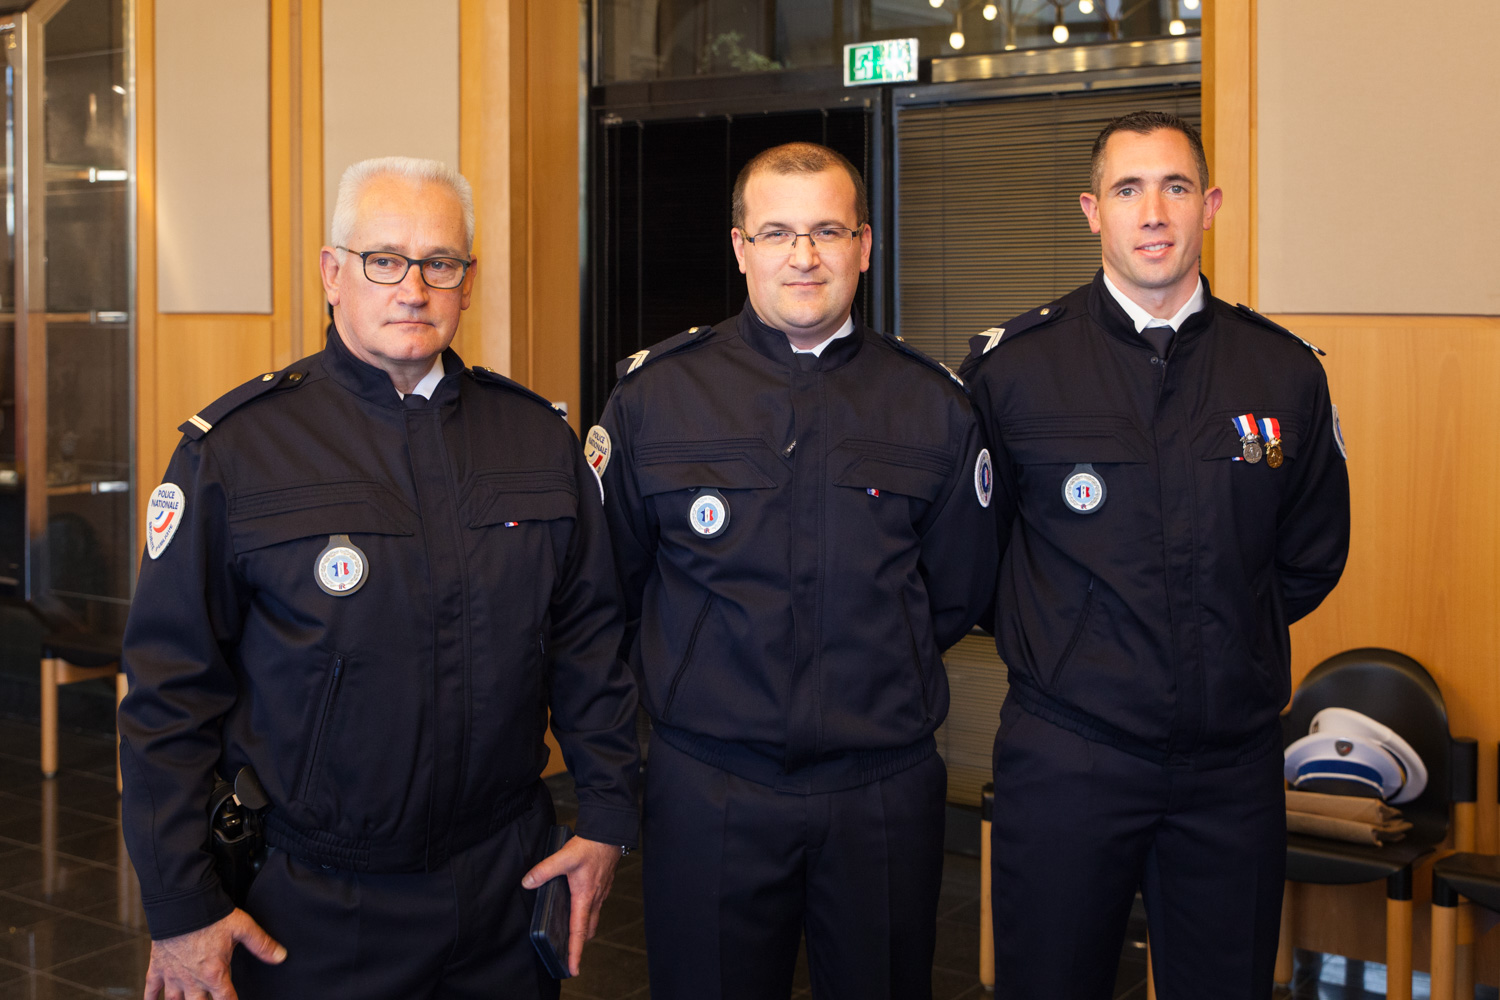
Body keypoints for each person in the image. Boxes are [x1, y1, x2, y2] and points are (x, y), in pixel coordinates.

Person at [118, 156, 641, 1000]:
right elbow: (168, 696)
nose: (414, 288)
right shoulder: (240, 451)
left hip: (506, 885)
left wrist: (611, 815)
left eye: (441, 263)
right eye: (384, 260)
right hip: (316, 902)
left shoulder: (537, 441)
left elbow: (589, 643)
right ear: (333, 273)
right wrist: (181, 904)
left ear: (468, 284)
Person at [592, 142, 997, 1000]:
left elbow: (957, 588)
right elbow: (611, 587)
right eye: (777, 232)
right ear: (740, 248)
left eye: (826, 231)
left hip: (880, 790)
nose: (803, 256)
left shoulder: (934, 403)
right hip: (709, 788)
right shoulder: (655, 398)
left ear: (865, 244)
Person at [960, 111, 1351, 999]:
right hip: (1068, 755)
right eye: (1128, 189)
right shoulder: (1015, 368)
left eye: (1175, 187)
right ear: (1091, 211)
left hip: (1230, 767)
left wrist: (1224, 632)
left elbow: (1312, 548)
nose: (1154, 212)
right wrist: (1067, 641)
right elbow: (970, 559)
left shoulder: (1281, 370)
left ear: (1208, 205)